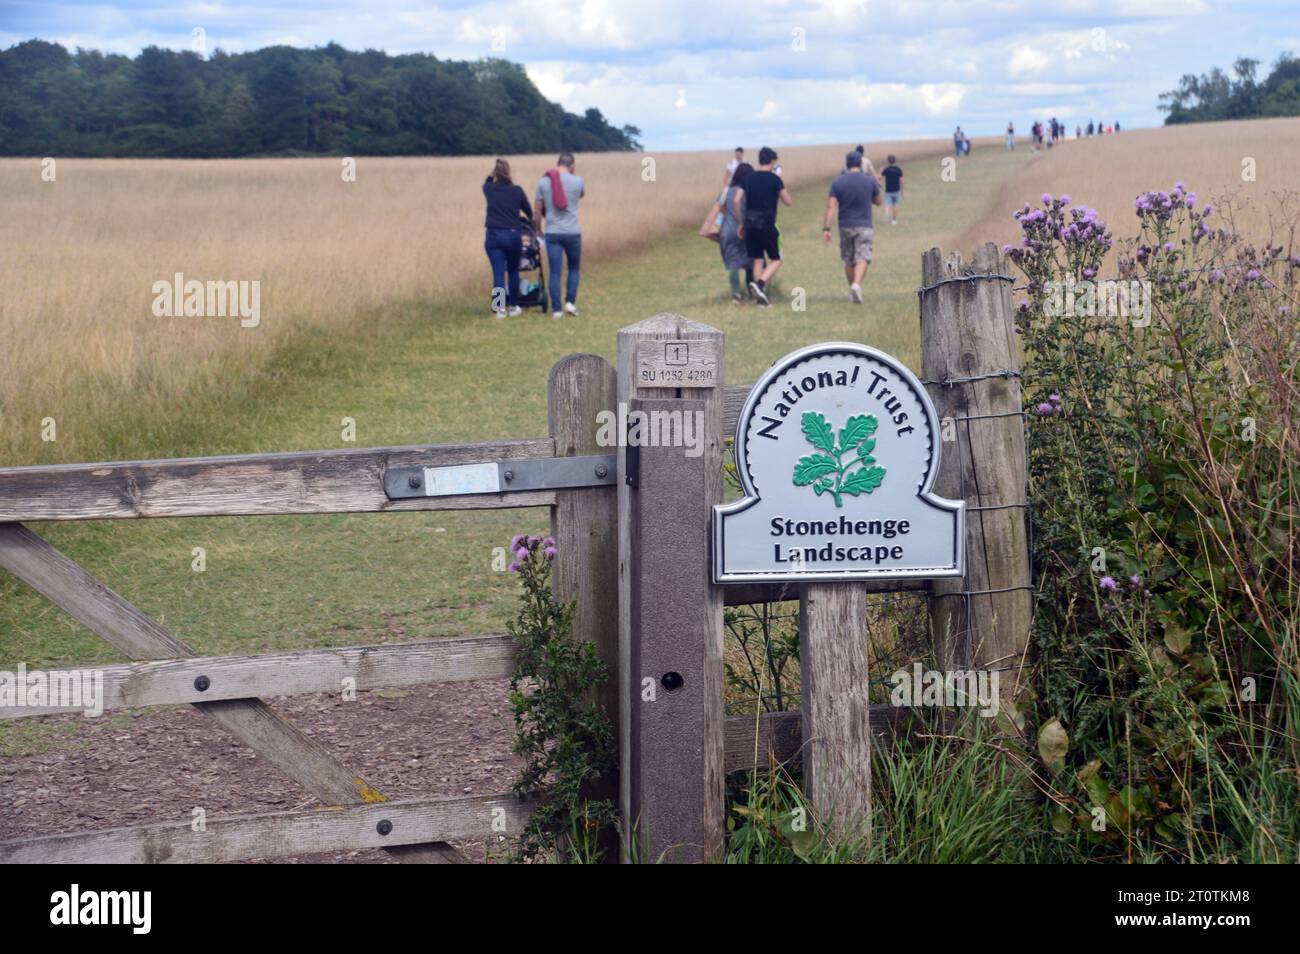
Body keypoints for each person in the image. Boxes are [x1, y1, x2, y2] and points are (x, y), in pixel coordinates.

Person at [822, 151, 882, 303]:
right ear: (861, 163)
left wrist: (826, 228)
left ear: (847, 164)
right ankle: (856, 286)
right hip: (864, 225)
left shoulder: (838, 182)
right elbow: (879, 201)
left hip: (845, 225)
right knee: (863, 256)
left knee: (849, 260)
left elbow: (831, 207)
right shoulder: (869, 181)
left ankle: (853, 290)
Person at [736, 146, 792, 306]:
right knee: (777, 259)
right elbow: (788, 201)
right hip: (767, 225)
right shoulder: (775, 179)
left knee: (757, 261)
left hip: (750, 225)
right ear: (773, 161)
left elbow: (736, 200)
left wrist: (741, 222)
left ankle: (759, 299)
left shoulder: (748, 178)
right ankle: (760, 284)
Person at [535, 152, 585, 319]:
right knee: (574, 268)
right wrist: (573, 175)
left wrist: (537, 229)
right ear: (572, 165)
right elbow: (580, 195)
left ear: (557, 163)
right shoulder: (578, 181)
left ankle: (557, 310)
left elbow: (536, 210)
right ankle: (570, 302)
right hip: (573, 232)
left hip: (553, 232)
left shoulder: (544, 181)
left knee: (555, 272)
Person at [482, 158, 533, 318]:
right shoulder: (517, 190)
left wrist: (492, 174)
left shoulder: (489, 188)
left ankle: (499, 308)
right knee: (513, 271)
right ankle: (514, 306)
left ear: (496, 173)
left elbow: (486, 182)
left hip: (494, 235)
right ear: (509, 173)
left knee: (498, 273)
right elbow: (529, 212)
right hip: (512, 236)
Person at [719, 162, 754, 304]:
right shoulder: (749, 190)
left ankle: (736, 295)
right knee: (750, 262)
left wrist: (729, 216)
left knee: (733, 262)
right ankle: (752, 293)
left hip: (728, 230)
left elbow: (720, 207)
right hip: (746, 229)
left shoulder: (727, 191)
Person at [880, 154, 903, 225]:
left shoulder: (886, 170)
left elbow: (879, 177)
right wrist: (902, 190)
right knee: (895, 204)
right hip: (896, 190)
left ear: (888, 161)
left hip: (888, 190)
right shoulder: (898, 169)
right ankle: (894, 220)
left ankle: (886, 217)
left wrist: (881, 171)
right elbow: (901, 180)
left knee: (887, 204)